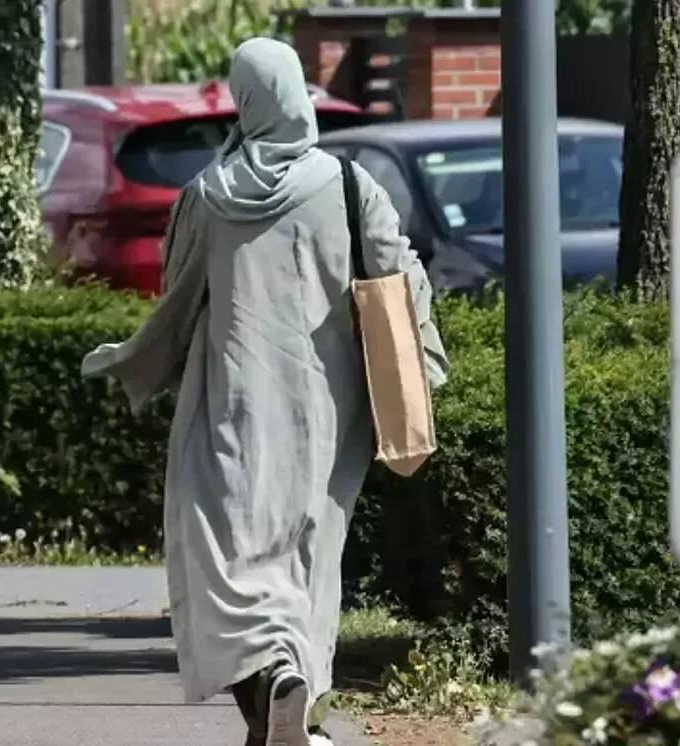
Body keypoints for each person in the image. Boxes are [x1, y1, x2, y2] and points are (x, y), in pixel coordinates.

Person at [81, 38, 448, 746]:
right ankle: (292, 695)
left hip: (231, 406)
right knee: (307, 556)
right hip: (330, 413)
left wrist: (131, 360)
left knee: (226, 560)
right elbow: (401, 280)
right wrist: (423, 363)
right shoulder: (350, 186)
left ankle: (269, 694)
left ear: (246, 100)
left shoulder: (208, 197)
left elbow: (178, 302)